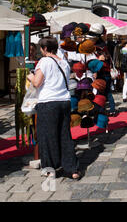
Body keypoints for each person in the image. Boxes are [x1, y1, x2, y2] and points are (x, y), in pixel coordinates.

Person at [27, 36, 80, 180]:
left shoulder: (44, 61)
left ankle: (51, 169)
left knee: (47, 136)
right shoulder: (64, 62)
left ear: (44, 49)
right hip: (64, 100)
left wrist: (29, 76)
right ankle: (72, 169)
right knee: (65, 135)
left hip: (48, 102)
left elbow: (37, 83)